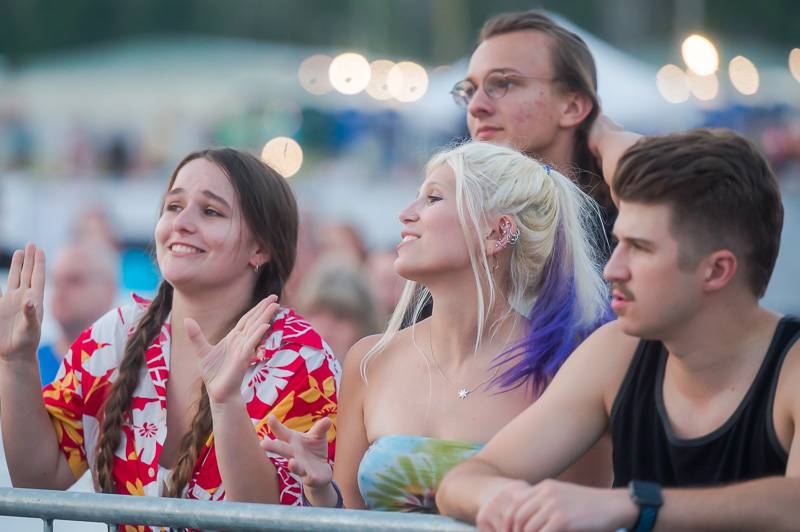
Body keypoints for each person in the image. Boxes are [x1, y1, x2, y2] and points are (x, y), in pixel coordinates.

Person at [436, 129, 800, 531]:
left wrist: (632, 506)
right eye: (618, 243)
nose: (613, 268)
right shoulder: (616, 353)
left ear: (716, 270)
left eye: (640, 248)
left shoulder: (792, 366)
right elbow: (465, 479)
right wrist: (503, 498)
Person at [261, 141, 611, 513]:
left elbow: (584, 515)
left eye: (433, 198)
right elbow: (350, 517)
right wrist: (319, 487)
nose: (405, 214)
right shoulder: (370, 360)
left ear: (497, 232)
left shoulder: (566, 370)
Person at [0, 149, 340, 519]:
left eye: (210, 211)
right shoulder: (115, 335)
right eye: (174, 206)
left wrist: (225, 401)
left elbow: (266, 521)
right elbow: (39, 478)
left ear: (260, 248)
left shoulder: (300, 358)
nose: (181, 223)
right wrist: (16, 361)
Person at [453, 10, 616, 237]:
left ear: (572, 107)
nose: (475, 107)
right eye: (470, 90)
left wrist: (614, 143)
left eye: (502, 83)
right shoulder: (458, 224)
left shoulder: (626, 231)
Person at [36, 240, 119, 385]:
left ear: (108, 290)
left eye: (75, 281)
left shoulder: (132, 367)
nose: (60, 291)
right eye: (56, 281)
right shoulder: (27, 366)